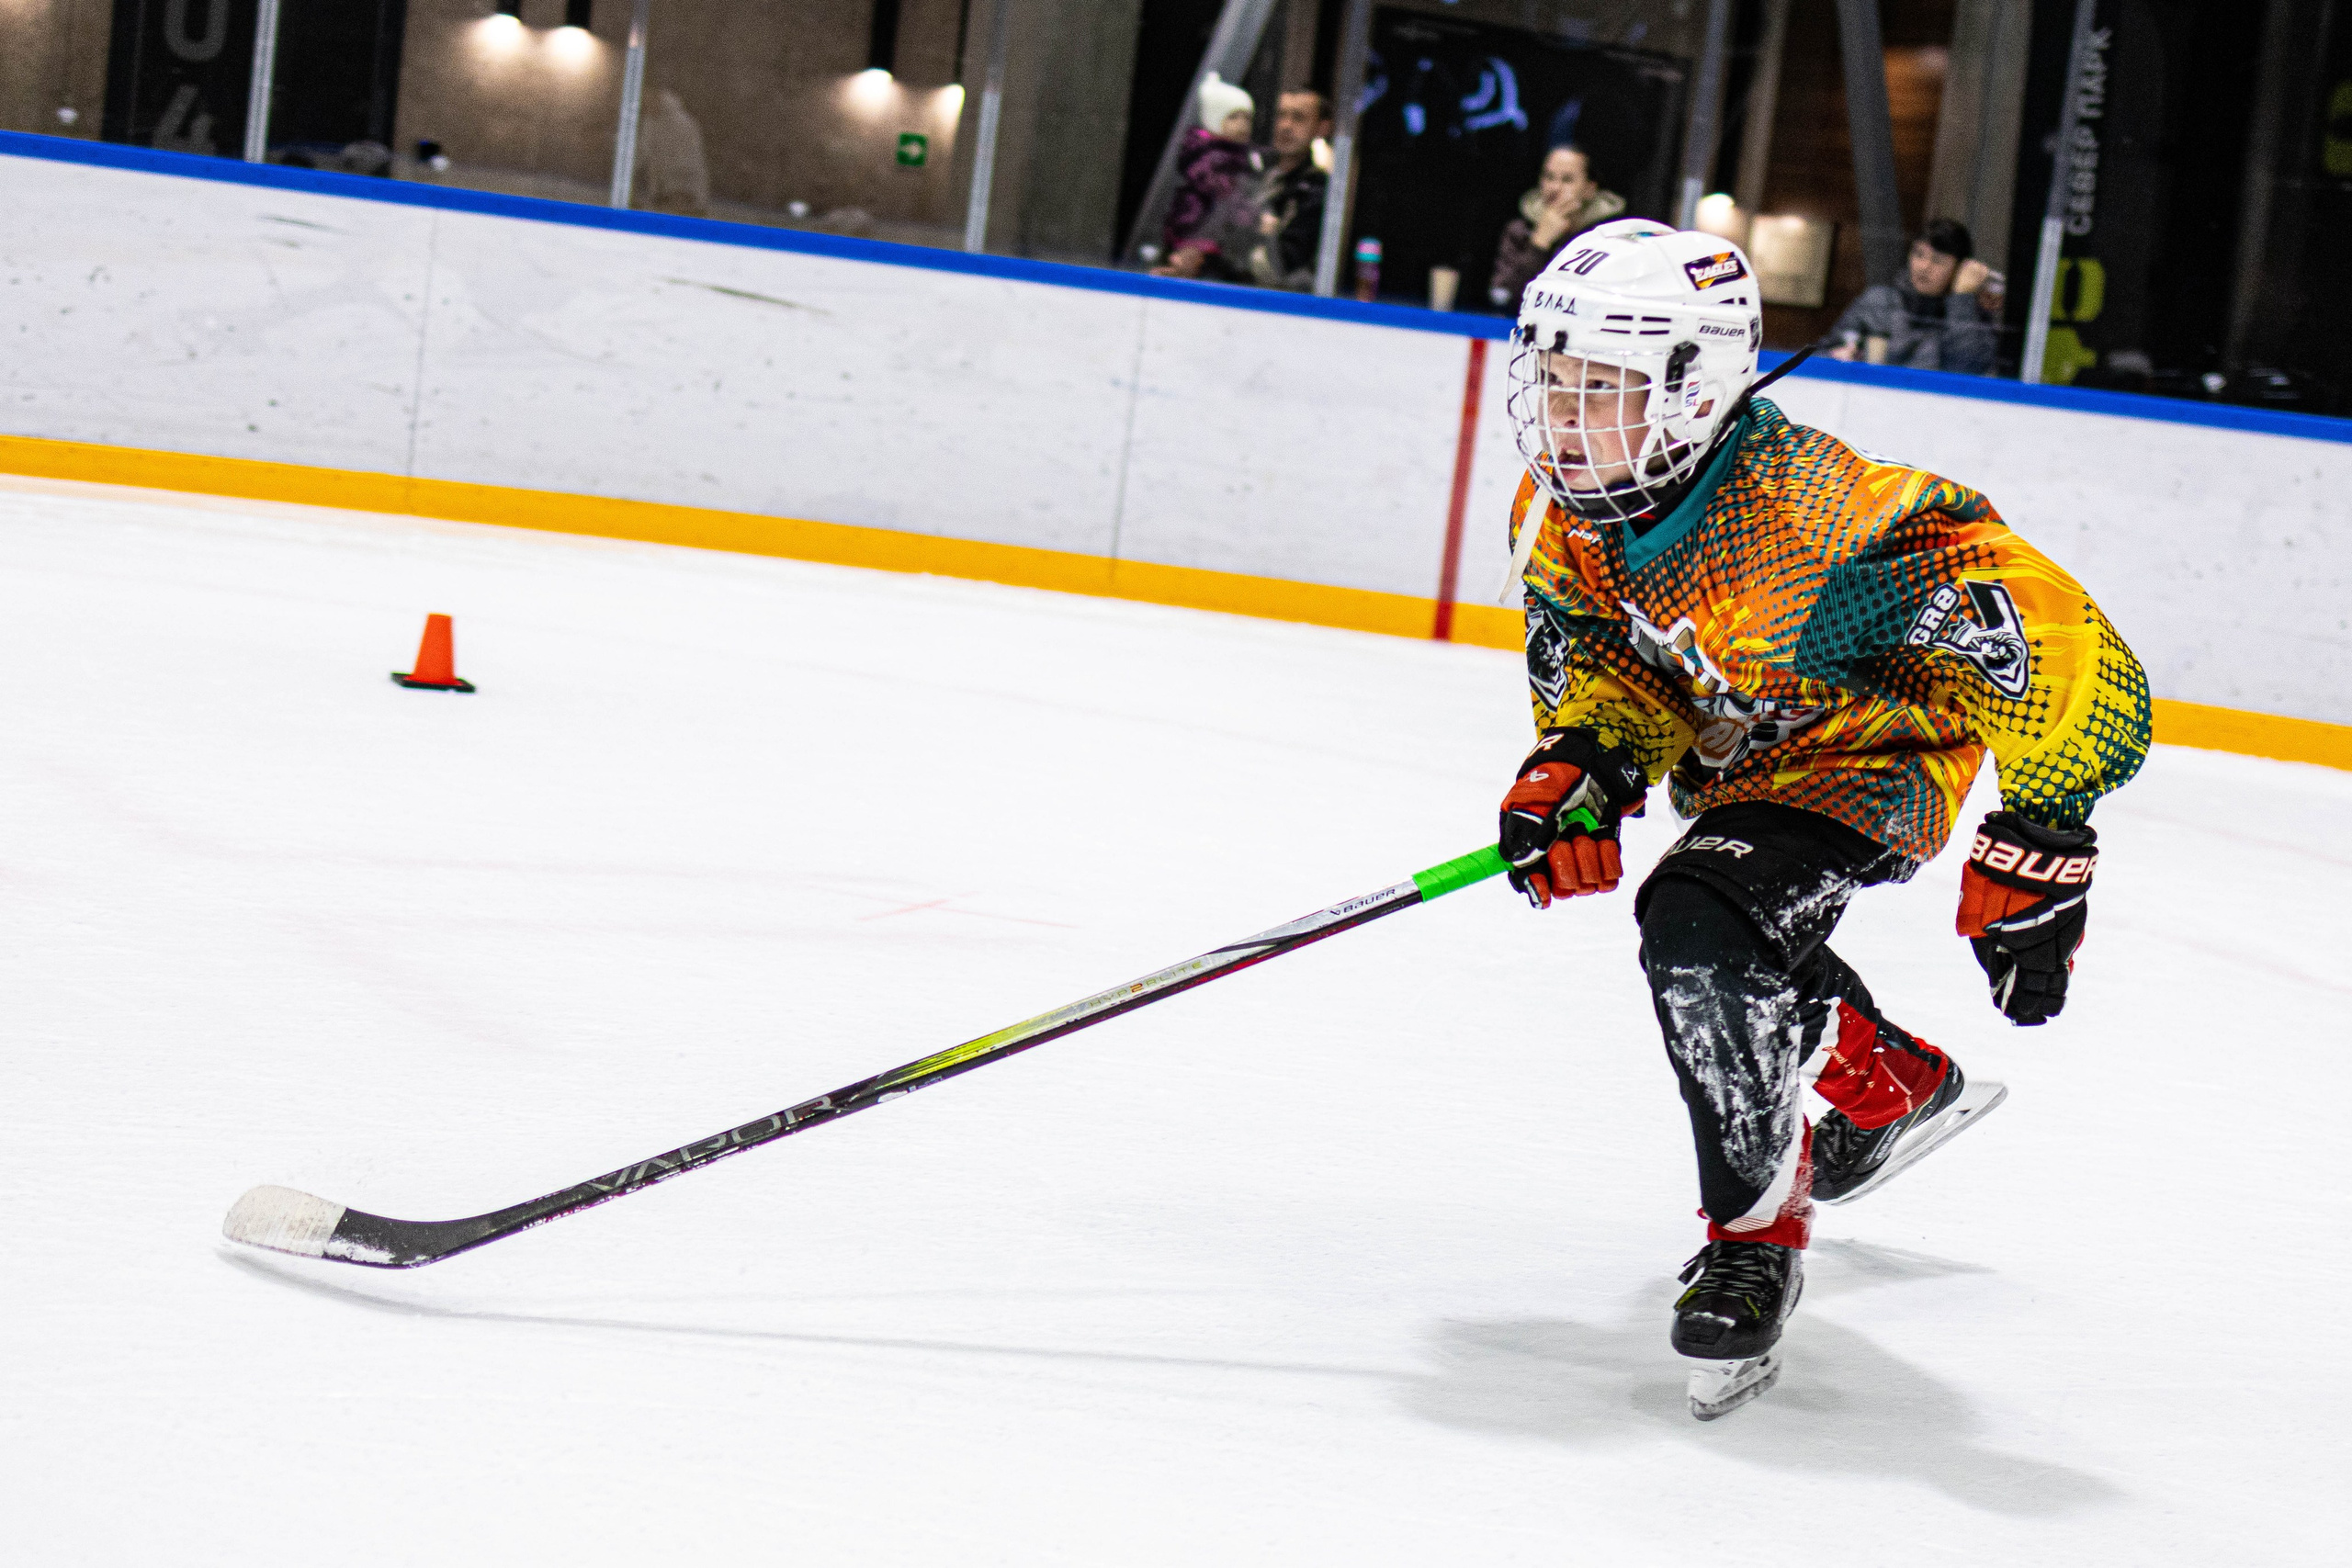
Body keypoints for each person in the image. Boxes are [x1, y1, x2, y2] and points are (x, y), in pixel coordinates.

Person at [1495, 219, 2149, 1419]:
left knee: (1696, 918)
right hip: (1749, 771)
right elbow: (1609, 662)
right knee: (1737, 931)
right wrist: (1585, 758)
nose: (1566, 415)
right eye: (1555, 381)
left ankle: (1753, 1237)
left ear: (1693, 391)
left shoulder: (1829, 527)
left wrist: (2047, 830)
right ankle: (1892, 1081)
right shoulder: (1581, 517)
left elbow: (2062, 649)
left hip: (1872, 759)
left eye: (1603, 388)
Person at [1825, 218, 1997, 373]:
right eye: (1918, 254)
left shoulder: (1971, 314)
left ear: (1959, 270)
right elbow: (1821, 353)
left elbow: (1966, 370)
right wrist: (1835, 357)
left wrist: (1962, 299)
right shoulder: (1878, 301)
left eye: (1938, 261)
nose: (1924, 266)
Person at [1487, 145, 1626, 310]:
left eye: (1567, 180)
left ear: (1589, 189)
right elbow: (1502, 297)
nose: (1555, 188)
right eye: (1549, 177)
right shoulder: (1518, 230)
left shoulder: (1608, 236)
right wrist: (1539, 244)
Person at [1154, 75, 1262, 282]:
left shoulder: (1242, 157)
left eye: (1247, 118)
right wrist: (1251, 213)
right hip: (1194, 235)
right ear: (1215, 119)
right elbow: (1224, 193)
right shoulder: (1207, 155)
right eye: (1234, 117)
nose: (1242, 125)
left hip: (1218, 242)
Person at [1244, 90, 1332, 291]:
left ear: (1322, 127)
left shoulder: (1317, 190)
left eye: (1298, 118)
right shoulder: (1251, 173)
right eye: (1280, 115)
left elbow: (1285, 263)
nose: (1286, 126)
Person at [633, 89, 711, 218]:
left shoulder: (682, 123)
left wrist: (679, 192)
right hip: (663, 192)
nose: (646, 105)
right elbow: (643, 152)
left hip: (685, 193)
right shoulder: (650, 123)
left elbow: (690, 162)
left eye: (649, 101)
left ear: (658, 98)